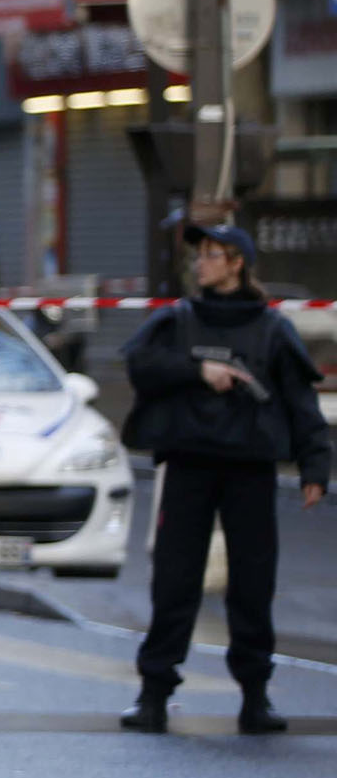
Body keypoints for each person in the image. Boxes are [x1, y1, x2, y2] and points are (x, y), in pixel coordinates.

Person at [118, 222, 330, 735]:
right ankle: (153, 695)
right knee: (175, 582)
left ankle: (255, 698)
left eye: (213, 255)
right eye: (200, 255)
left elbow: (300, 400)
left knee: (253, 585)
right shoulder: (178, 319)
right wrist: (198, 371)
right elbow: (140, 364)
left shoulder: (271, 328)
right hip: (189, 464)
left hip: (249, 469)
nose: (201, 263)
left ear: (237, 263)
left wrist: (315, 465)